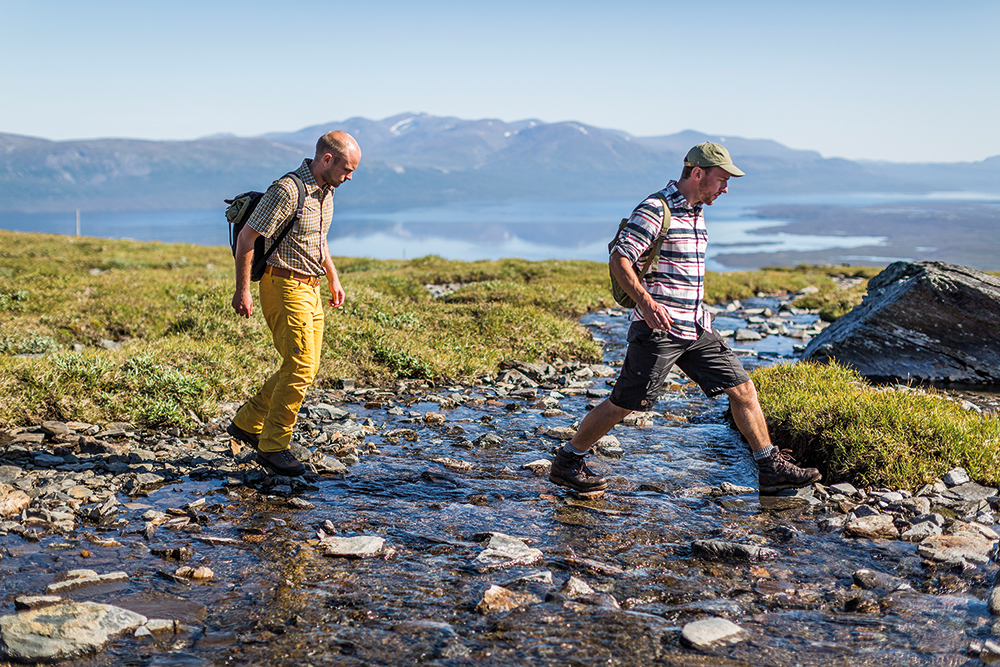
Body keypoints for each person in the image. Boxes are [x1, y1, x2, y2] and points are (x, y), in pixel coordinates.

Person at [549, 142, 821, 496]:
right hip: (658, 329)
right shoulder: (655, 209)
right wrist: (646, 304)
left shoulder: (695, 211)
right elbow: (621, 259)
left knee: (743, 389)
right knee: (625, 403)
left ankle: (770, 470)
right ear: (697, 174)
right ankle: (568, 461)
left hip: (696, 326)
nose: (725, 188)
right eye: (721, 180)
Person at [227, 131, 361, 476]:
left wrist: (332, 277)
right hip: (282, 284)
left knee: (305, 366)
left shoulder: (326, 192)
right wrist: (242, 290)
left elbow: (319, 239)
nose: (349, 178)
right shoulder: (287, 191)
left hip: (311, 286)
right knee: (300, 365)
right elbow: (247, 238)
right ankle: (273, 446)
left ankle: (247, 422)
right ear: (327, 159)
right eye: (347, 169)